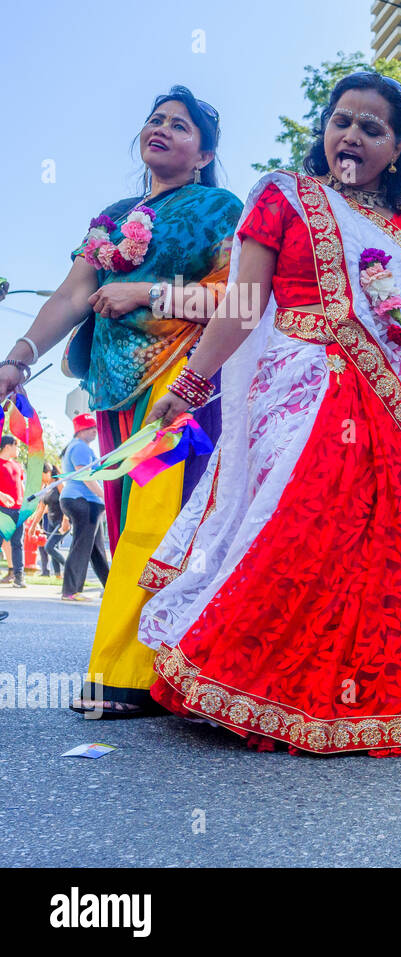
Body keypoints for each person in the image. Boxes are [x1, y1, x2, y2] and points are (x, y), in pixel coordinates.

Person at [138, 71, 401, 756]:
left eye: (371, 127)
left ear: (398, 147)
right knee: (302, 532)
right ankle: (268, 692)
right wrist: (192, 386)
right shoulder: (284, 194)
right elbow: (241, 303)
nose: (351, 134)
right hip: (304, 390)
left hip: (396, 410)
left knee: (381, 551)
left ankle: (363, 704)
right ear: (325, 129)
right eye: (341, 119)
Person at [0, 86, 240, 714]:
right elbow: (72, 294)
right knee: (130, 513)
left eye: (179, 126)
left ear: (203, 153)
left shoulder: (220, 208)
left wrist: (148, 294)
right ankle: (159, 669)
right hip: (113, 391)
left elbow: (243, 303)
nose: (160, 129)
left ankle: (130, 676)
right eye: (154, 120)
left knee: (158, 521)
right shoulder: (110, 215)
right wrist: (19, 357)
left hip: (183, 383)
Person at [58, 416, 111, 602]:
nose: (95, 431)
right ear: (80, 430)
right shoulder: (80, 447)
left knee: (96, 548)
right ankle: (71, 591)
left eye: (96, 428)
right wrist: (106, 497)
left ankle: (111, 587)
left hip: (85, 501)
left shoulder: (78, 446)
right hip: (82, 500)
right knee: (81, 546)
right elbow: (86, 477)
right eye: (90, 428)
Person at [31, 463, 68, 578]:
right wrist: (33, 526)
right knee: (53, 549)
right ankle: (58, 576)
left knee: (49, 547)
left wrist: (65, 519)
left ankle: (70, 569)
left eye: (41, 475)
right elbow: (41, 509)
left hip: (62, 521)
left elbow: (67, 502)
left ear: (47, 473)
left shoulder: (59, 483)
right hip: (51, 522)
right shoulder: (45, 488)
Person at [0, 436, 26, 588]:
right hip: (2, 510)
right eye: (17, 446)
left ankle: (19, 577)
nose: (19, 449)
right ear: (7, 446)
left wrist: (25, 505)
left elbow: (21, 485)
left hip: (18, 510)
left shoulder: (17, 465)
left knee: (18, 544)